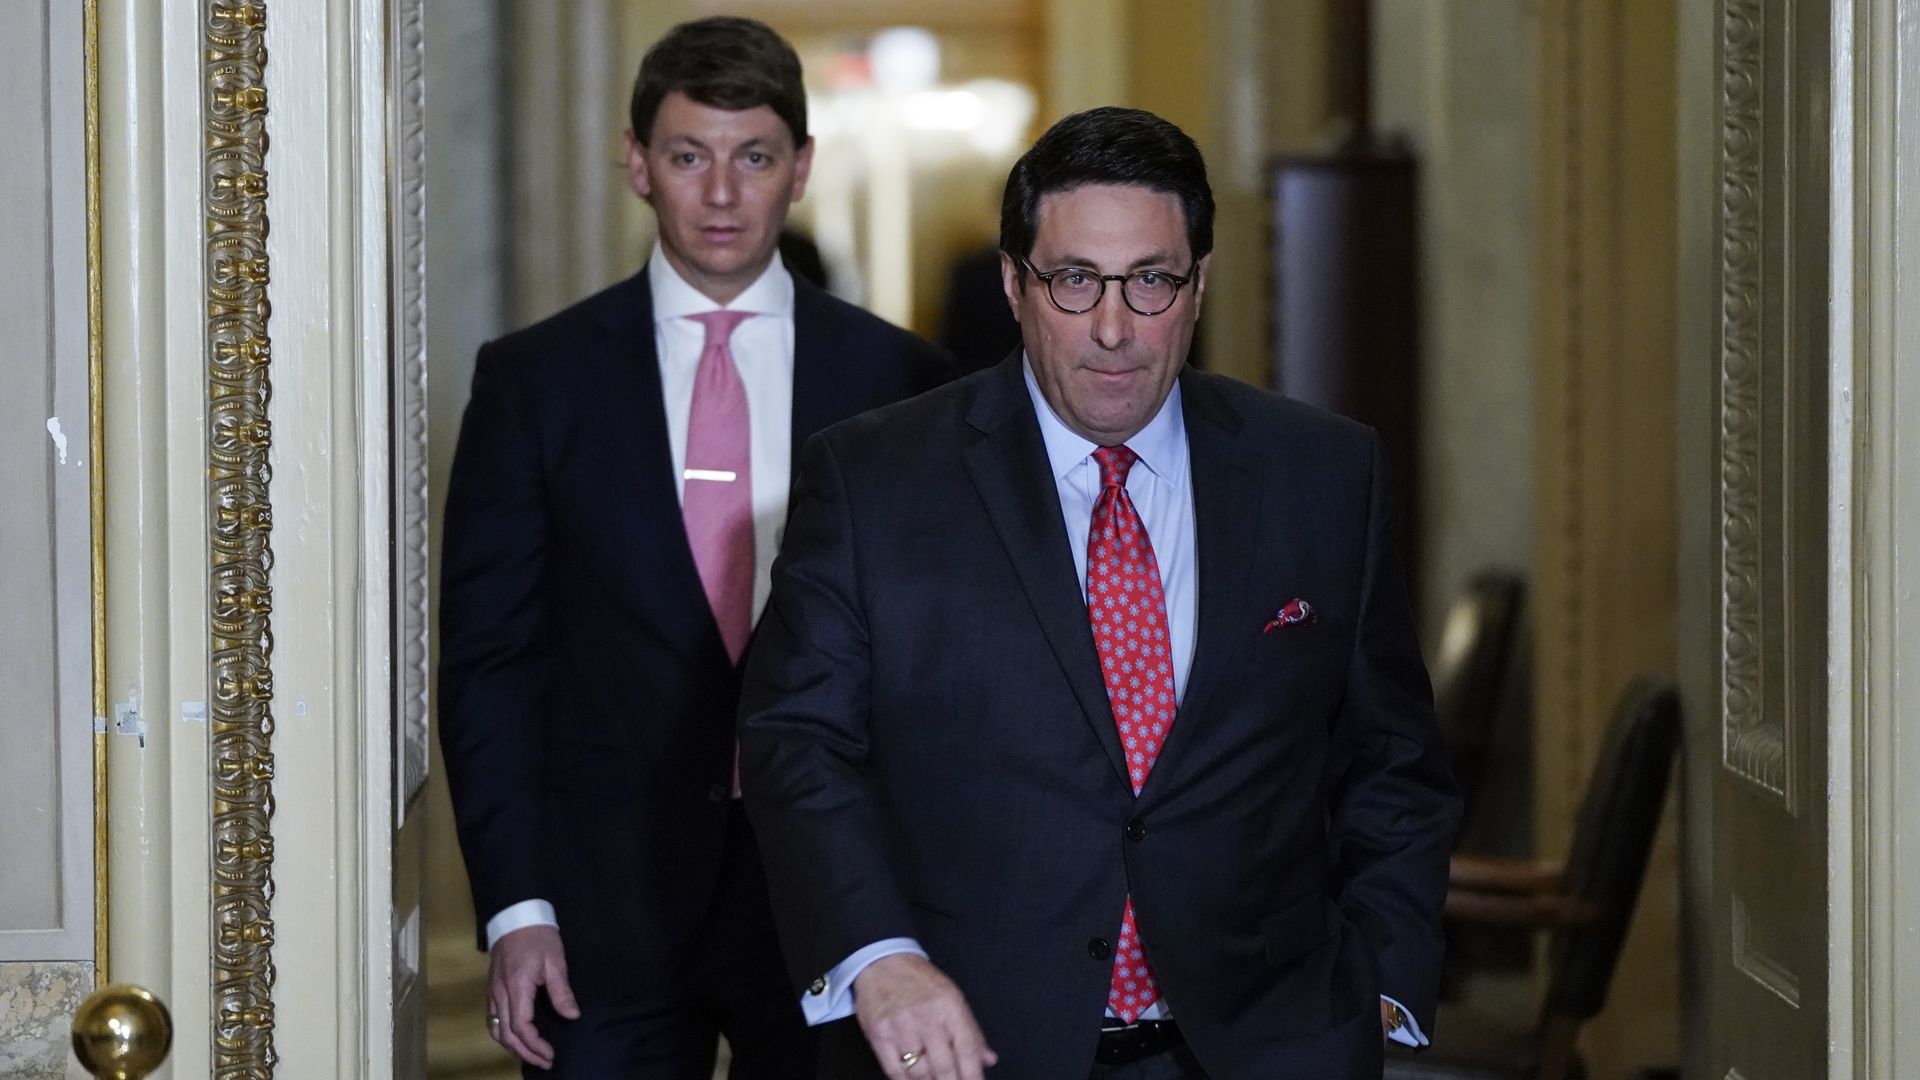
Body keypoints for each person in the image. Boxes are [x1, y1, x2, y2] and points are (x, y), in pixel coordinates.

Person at [738, 107, 1459, 1079]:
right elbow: (798, 746)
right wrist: (880, 957)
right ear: (1014, 284)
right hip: (968, 1050)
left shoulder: (1323, 475)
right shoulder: (872, 481)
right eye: (1076, 281)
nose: (1114, 329)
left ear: (1198, 284)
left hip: (1266, 1047)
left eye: (1150, 281)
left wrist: (1380, 986)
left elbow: (1394, 762)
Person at [438, 17, 952, 1078]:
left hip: (833, 902)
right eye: (688, 156)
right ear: (638, 164)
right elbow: (491, 663)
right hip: (597, 911)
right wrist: (516, 907)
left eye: (753, 157)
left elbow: (939, 667)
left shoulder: (907, 384)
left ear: (800, 170)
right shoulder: (533, 383)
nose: (721, 194)